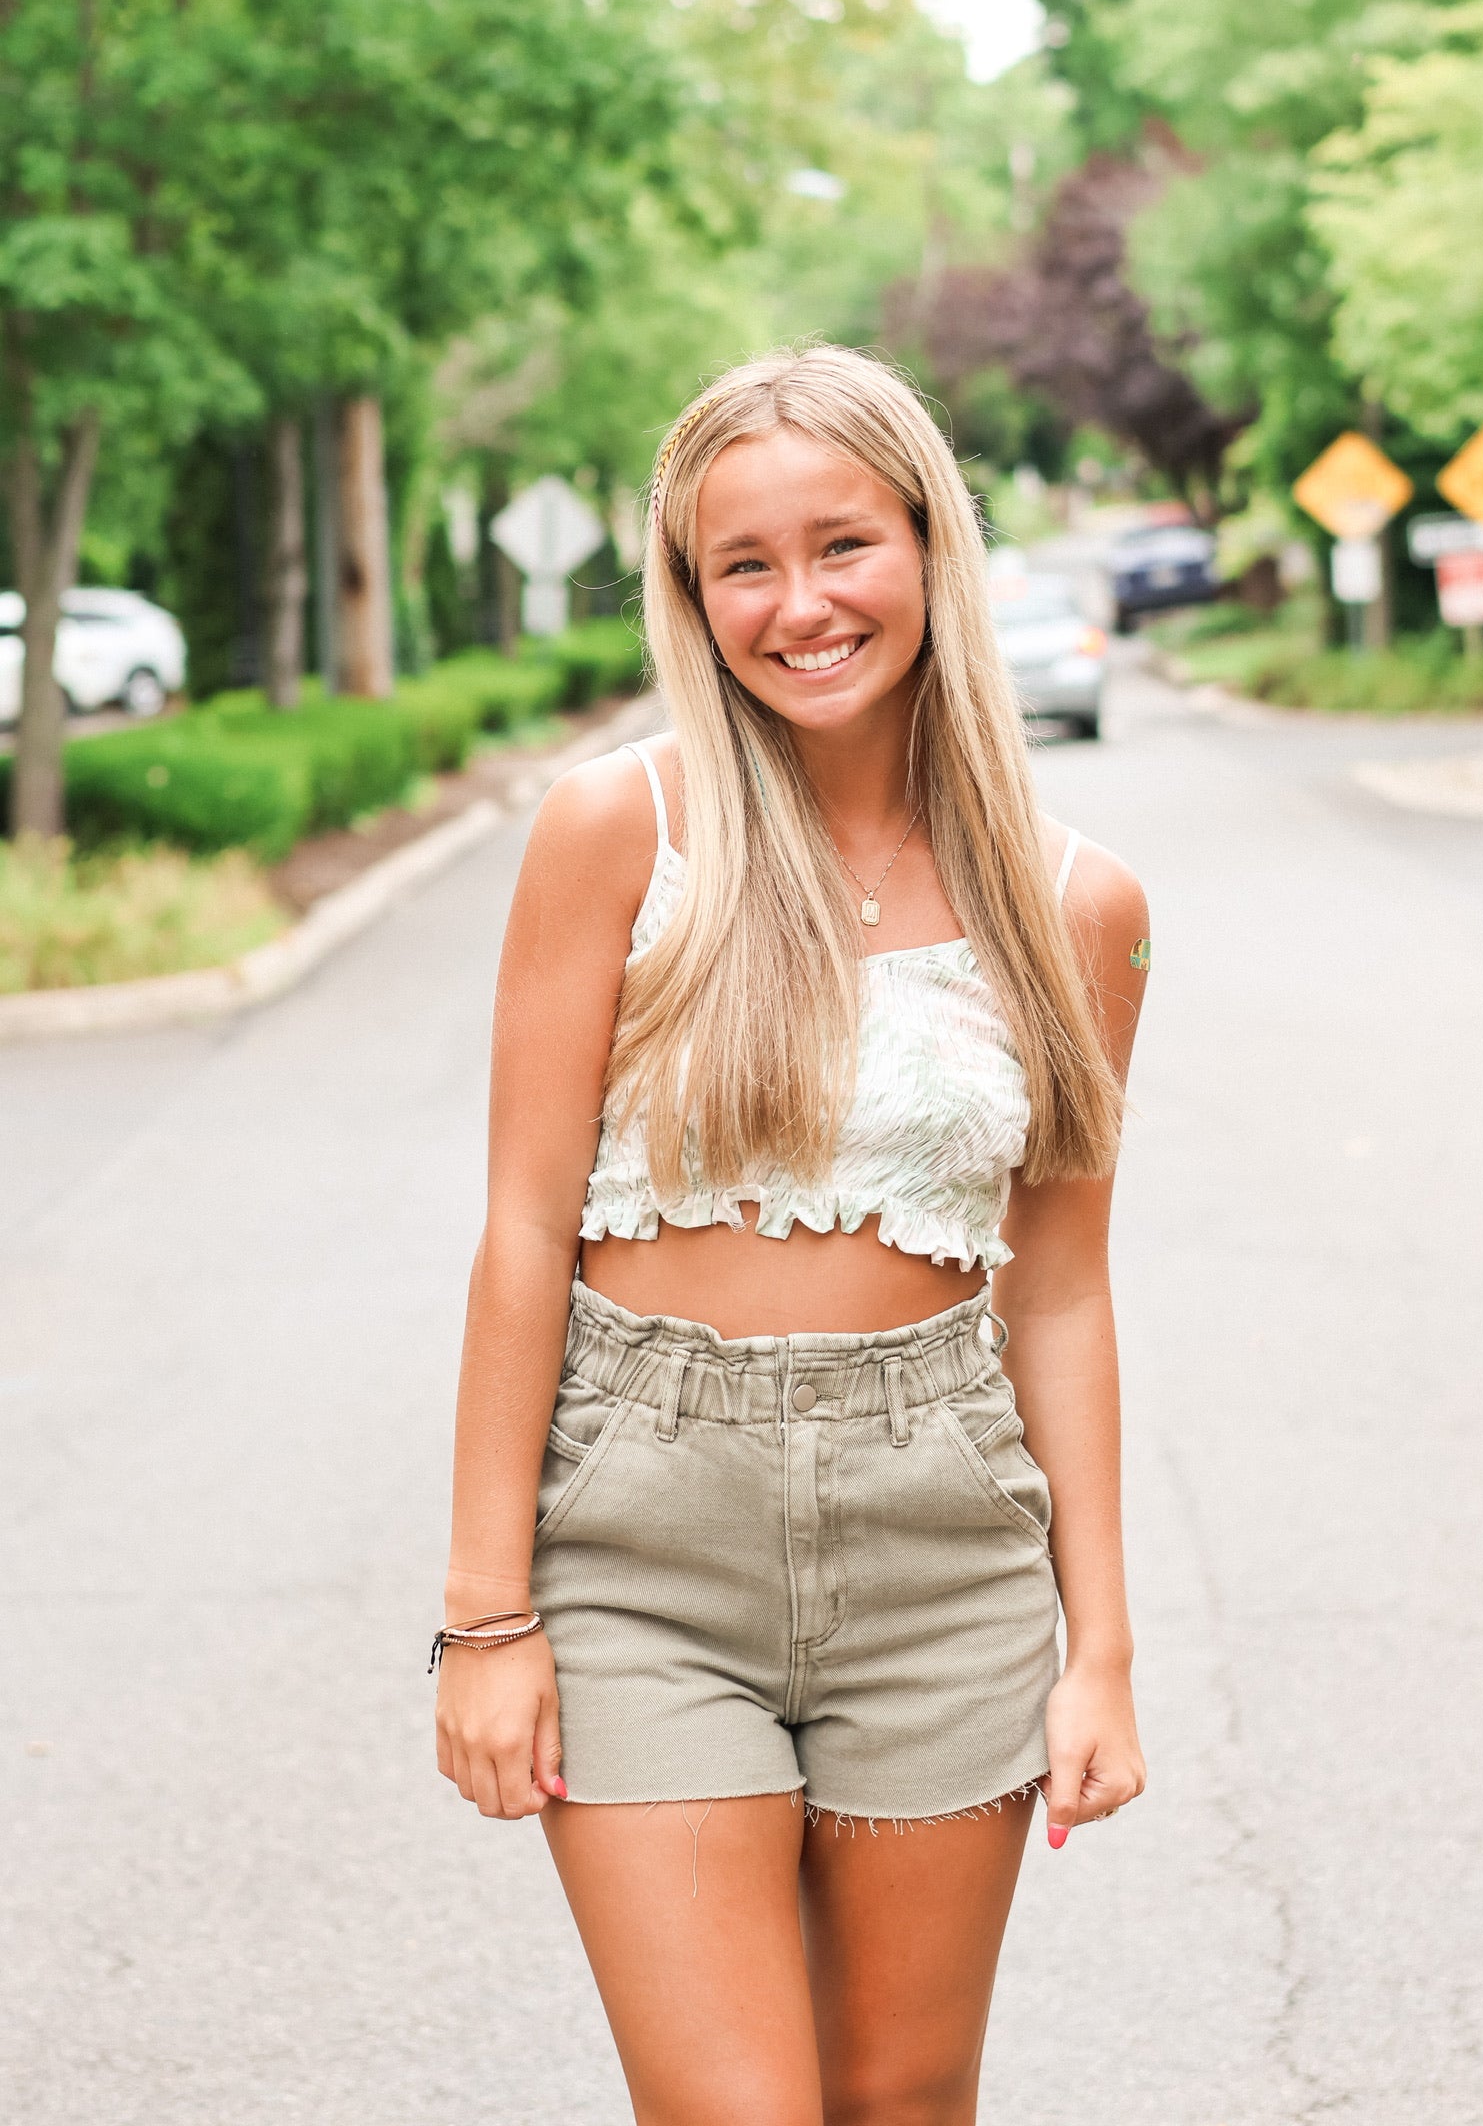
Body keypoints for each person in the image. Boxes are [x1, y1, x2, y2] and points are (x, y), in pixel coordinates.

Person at [435, 346, 1148, 2125]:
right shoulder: (626, 828)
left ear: (931, 545)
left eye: (844, 544)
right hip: (642, 1540)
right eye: (741, 563)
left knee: (904, 2103)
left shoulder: (1082, 906)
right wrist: (483, 1620)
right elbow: (525, 1226)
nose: (801, 604)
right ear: (691, 595)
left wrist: (1104, 1649)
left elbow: (1058, 1291)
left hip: (944, 1544)